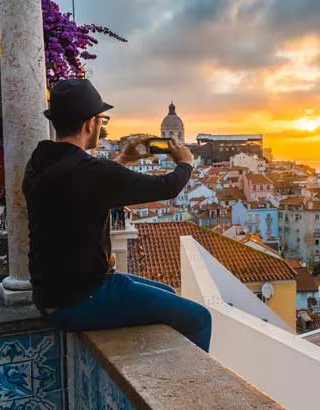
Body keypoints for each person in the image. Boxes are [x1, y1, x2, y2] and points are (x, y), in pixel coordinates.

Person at [23, 79, 211, 352]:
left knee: (168, 295)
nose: (102, 125)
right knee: (199, 319)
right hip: (82, 297)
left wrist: (122, 159)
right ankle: (192, 391)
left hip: (49, 295)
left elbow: (84, 186)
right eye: (102, 119)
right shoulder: (91, 171)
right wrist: (186, 162)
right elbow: (167, 187)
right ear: (90, 123)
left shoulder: (39, 161)